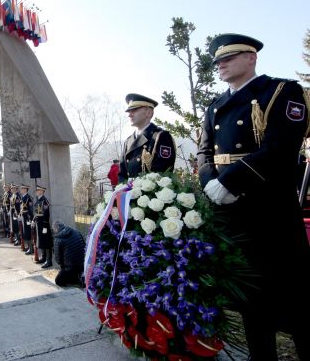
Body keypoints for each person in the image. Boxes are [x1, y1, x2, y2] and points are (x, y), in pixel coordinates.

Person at [197, 33, 309, 360]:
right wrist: (209, 183)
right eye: (218, 60)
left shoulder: (280, 91)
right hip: (231, 213)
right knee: (250, 296)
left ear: (251, 58)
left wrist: (230, 181)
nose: (220, 64)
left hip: (270, 212)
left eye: (228, 57)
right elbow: (204, 153)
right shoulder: (215, 106)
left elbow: (280, 147)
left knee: (293, 297)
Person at [118, 94, 176, 182]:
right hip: (128, 193)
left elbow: (162, 174)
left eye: (134, 110)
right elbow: (122, 175)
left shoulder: (160, 137)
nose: (129, 115)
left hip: (150, 193)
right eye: (129, 111)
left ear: (149, 113)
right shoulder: (128, 141)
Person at [52, 220, 85, 287]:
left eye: (54, 230)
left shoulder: (58, 239)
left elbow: (58, 260)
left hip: (70, 268)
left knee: (58, 281)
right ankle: (77, 279)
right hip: (82, 265)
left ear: (57, 228)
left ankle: (73, 280)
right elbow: (84, 246)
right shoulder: (76, 232)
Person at [33, 185, 52, 268]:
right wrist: (33, 220)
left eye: (38, 190)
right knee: (41, 241)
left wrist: (45, 226)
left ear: (41, 191)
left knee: (46, 242)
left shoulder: (44, 201)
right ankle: (43, 258)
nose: (36, 192)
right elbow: (36, 212)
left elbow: (46, 214)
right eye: (36, 190)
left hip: (44, 224)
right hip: (39, 224)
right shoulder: (38, 200)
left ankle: (49, 261)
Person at [20, 184, 34, 254]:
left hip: (27, 217)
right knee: (25, 232)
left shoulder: (28, 198)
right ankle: (28, 247)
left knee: (28, 233)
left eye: (22, 189)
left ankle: (31, 249)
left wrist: (30, 219)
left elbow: (30, 209)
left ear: (25, 189)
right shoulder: (23, 197)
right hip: (23, 217)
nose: (21, 190)